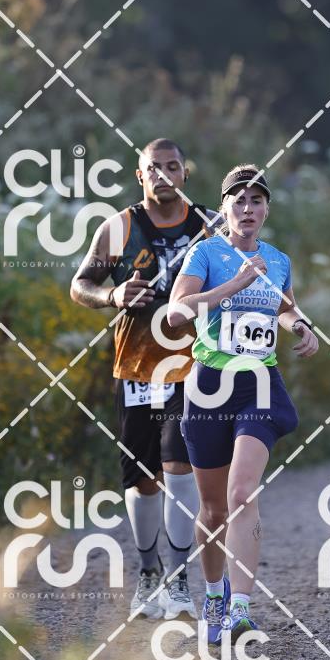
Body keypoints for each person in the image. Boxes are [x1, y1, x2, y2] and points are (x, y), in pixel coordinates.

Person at [167, 164, 319, 643]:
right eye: (239, 201)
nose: (248, 208)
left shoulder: (278, 260)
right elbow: (176, 313)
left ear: (267, 210)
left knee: (242, 494)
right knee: (213, 510)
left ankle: (240, 610)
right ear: (225, 208)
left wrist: (300, 325)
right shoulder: (204, 254)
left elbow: (285, 307)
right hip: (210, 386)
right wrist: (232, 285)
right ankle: (215, 593)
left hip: (259, 383)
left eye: (256, 200)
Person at [70, 139, 219, 619]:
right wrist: (112, 297)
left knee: (180, 467)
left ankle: (179, 581)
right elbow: (80, 285)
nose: (163, 175)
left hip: (196, 365)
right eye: (153, 168)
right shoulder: (118, 227)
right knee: (143, 478)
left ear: (185, 173)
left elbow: (248, 274)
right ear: (140, 176)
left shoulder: (211, 224)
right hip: (136, 365)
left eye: (172, 166)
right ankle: (149, 574)